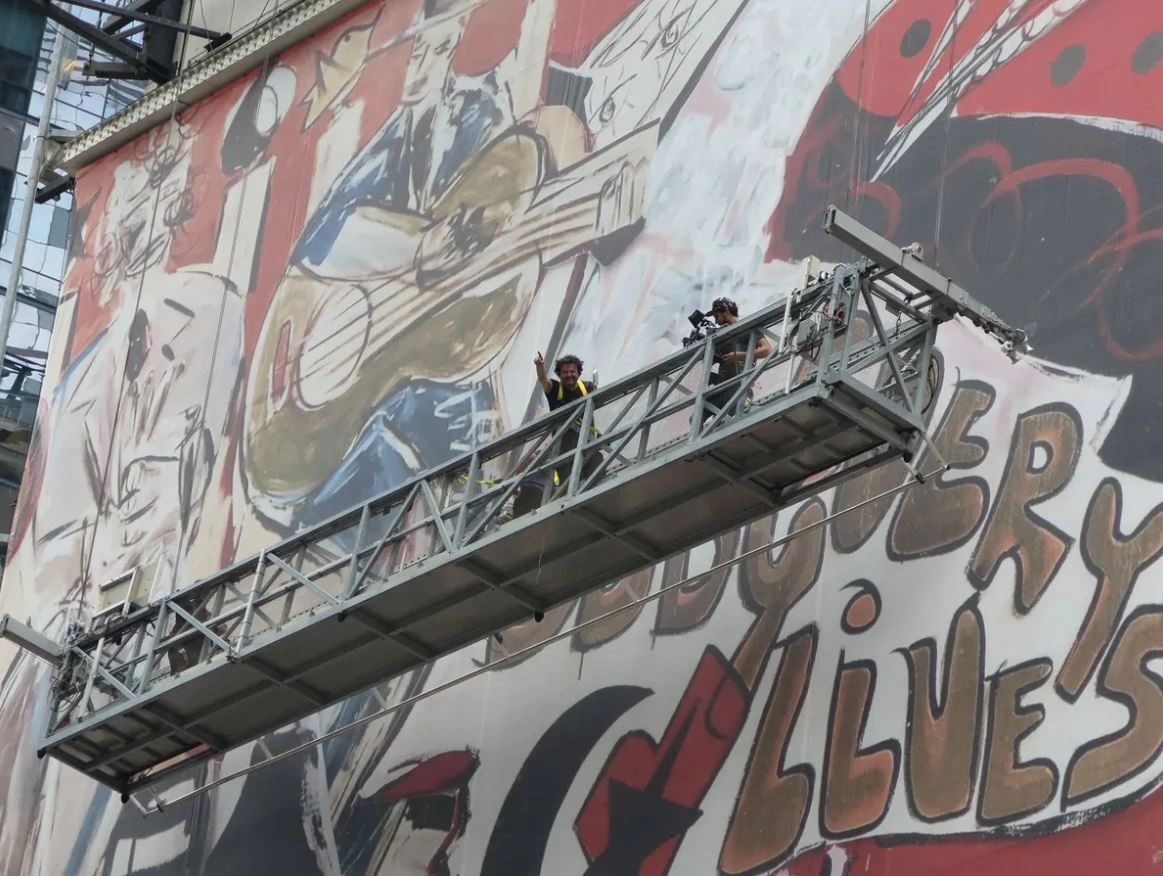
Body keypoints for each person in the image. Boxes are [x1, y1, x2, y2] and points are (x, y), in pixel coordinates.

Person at [702, 297, 773, 425]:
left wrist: (739, 356)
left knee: (729, 421)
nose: (716, 321)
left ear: (726, 310)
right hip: (721, 385)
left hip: (738, 385)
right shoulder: (721, 333)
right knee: (697, 418)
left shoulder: (745, 326)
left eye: (716, 316)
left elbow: (766, 349)